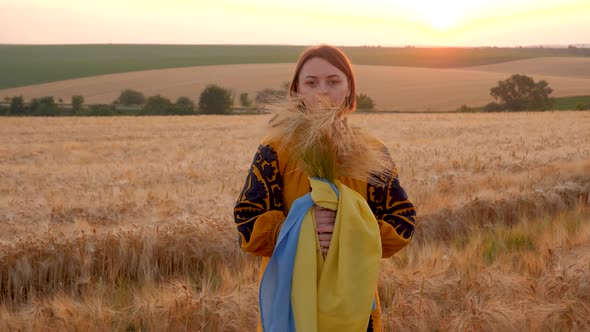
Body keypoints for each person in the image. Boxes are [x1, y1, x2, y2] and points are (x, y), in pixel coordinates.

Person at [234, 45, 416, 332]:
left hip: (354, 306)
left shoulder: (371, 151)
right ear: (297, 91)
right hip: (290, 302)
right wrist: (299, 227)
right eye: (311, 82)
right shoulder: (274, 150)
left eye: (333, 81)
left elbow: (402, 221)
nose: (322, 91)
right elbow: (247, 223)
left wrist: (348, 227)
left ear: (349, 89)